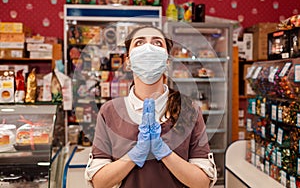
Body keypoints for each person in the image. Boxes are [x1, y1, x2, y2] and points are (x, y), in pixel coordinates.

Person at [85, 25, 217, 188]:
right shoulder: (109, 112)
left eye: (157, 43)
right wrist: (135, 154)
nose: (148, 48)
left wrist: (164, 152)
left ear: (167, 61)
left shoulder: (189, 109)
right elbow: (99, 182)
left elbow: (203, 183)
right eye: (139, 43)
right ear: (128, 61)